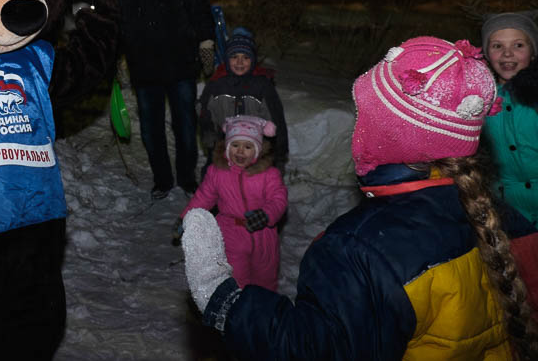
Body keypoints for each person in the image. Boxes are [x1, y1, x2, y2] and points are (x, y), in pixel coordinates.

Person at [181, 36, 538, 360]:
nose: (358, 129)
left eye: (366, 117)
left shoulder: (358, 250)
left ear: (393, 137)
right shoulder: (502, 217)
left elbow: (312, 349)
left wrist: (223, 301)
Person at [116, 0, 216, 199]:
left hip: (181, 65)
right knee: (151, 129)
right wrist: (116, 57)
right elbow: (112, 24)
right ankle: (162, 180)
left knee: (185, 125)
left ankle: (186, 177)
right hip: (144, 70)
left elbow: (200, 7)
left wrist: (206, 41)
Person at [179, 115, 287, 291]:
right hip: (230, 234)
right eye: (235, 145)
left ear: (258, 150)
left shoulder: (269, 174)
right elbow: (203, 197)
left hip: (263, 236)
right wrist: (186, 219)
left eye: (248, 147)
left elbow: (278, 199)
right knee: (236, 281)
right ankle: (238, 305)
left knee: (265, 281)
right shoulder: (217, 172)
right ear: (227, 147)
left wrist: (266, 214)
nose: (240, 152)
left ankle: (263, 307)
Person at [199, 27, 288, 176]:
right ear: (227, 59)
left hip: (255, 149)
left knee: (259, 180)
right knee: (214, 177)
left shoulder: (262, 86)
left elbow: (277, 121)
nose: (240, 62)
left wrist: (279, 156)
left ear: (253, 60)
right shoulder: (216, 85)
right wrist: (208, 133)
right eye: (234, 57)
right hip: (225, 146)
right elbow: (205, 113)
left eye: (246, 57)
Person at [482, 12, 538, 226]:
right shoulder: (479, 100)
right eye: (497, 46)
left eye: (518, 45)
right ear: (487, 54)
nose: (507, 54)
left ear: (533, 52)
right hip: (507, 210)